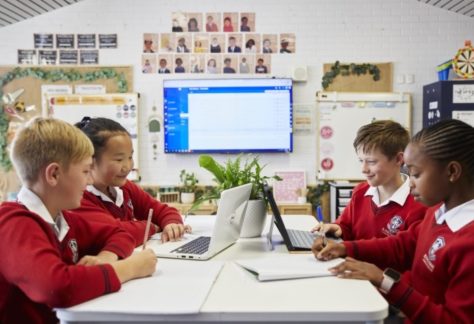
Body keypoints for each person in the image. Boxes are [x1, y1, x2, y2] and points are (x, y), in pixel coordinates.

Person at [312, 119, 474, 323]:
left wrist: (384, 281)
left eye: (415, 174)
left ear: (452, 172)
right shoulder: (437, 212)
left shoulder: (468, 243)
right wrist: (344, 248)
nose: (411, 183)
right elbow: (401, 246)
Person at [0, 117, 156, 323]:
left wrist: (105, 258)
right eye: (85, 171)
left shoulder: (63, 219)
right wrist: (132, 268)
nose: (90, 180)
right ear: (54, 174)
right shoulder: (13, 223)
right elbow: (57, 288)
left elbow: (119, 234)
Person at [74, 117, 190, 245]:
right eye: (119, 159)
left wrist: (172, 224)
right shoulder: (77, 198)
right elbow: (116, 231)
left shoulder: (124, 188)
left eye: (130, 157)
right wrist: (153, 226)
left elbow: (160, 210)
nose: (128, 166)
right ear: (90, 161)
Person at [312, 120, 427, 241]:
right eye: (361, 161)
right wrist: (336, 228)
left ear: (399, 159)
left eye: (371, 162)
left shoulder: (418, 204)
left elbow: (403, 253)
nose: (363, 169)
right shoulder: (361, 191)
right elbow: (345, 225)